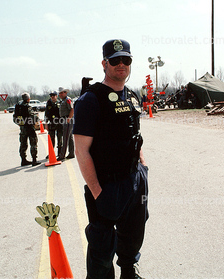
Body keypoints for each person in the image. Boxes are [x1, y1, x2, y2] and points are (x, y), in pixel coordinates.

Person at [73, 39, 149, 279]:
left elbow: (135, 136)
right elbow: (81, 150)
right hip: (106, 184)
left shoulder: (133, 96)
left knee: (134, 234)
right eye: (115, 60)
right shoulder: (90, 100)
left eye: (126, 60)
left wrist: (143, 169)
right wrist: (97, 191)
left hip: (135, 179)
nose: (121, 65)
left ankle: (129, 270)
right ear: (104, 63)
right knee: (102, 246)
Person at [13, 92, 41, 166]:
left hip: (22, 128)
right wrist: (37, 118)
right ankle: (34, 160)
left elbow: (14, 118)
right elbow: (33, 118)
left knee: (23, 144)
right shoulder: (27, 107)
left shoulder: (18, 106)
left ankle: (23, 160)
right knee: (33, 143)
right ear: (28, 99)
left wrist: (19, 124)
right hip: (29, 128)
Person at [58, 87, 75, 161]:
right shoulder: (63, 100)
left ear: (65, 93)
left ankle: (62, 155)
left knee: (65, 137)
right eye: (59, 93)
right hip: (65, 119)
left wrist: (69, 118)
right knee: (69, 137)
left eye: (62, 93)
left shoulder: (68, 100)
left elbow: (72, 109)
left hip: (67, 120)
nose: (60, 94)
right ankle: (71, 153)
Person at [44, 91, 63, 158]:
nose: (52, 97)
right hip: (51, 123)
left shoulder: (60, 102)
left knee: (60, 138)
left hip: (59, 123)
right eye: (51, 96)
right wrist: (46, 124)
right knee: (51, 139)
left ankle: (60, 153)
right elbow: (46, 114)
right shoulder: (48, 103)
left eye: (54, 95)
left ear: (56, 96)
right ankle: (51, 153)